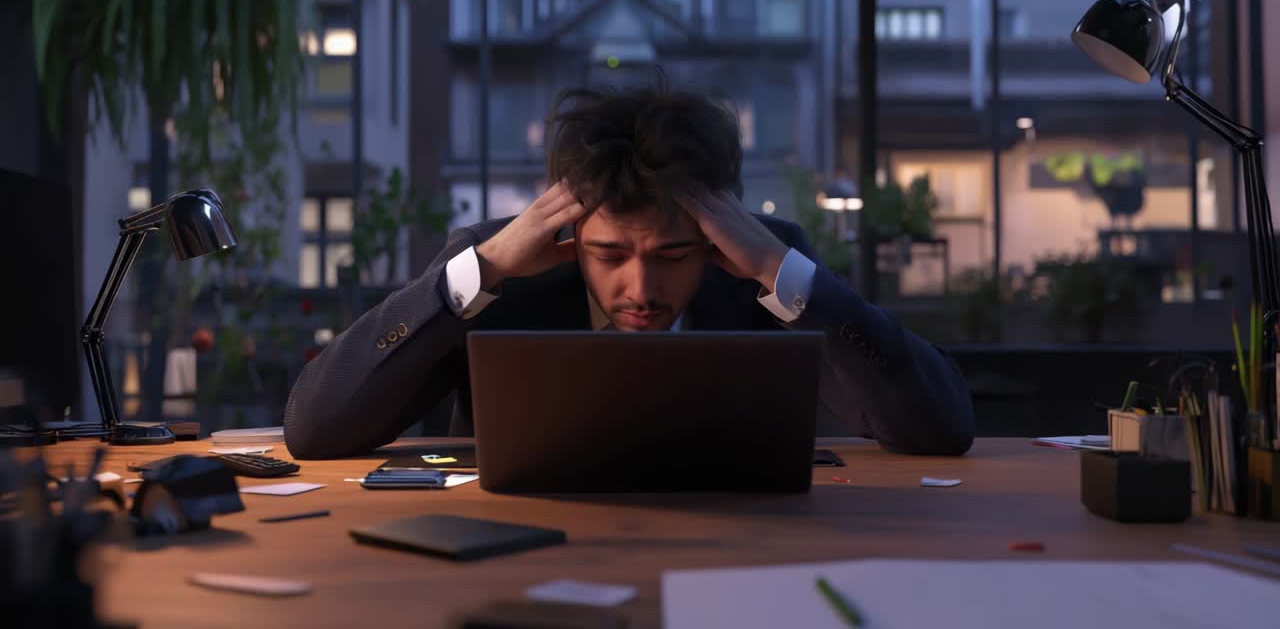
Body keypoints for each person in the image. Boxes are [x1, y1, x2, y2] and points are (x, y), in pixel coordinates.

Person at [283, 82, 974, 460]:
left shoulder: (765, 268)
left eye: (672, 255)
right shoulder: (494, 272)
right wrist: (483, 268)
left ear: (714, 237)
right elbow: (317, 430)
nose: (640, 290)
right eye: (609, 255)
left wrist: (777, 268)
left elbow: (939, 429)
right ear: (569, 232)